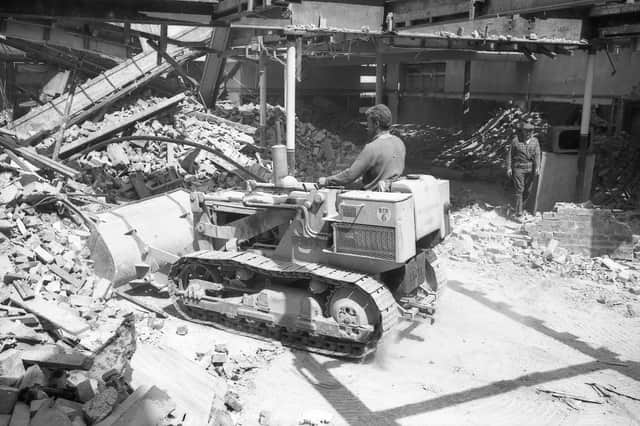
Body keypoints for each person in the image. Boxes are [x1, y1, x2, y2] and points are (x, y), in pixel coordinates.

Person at [318, 104, 405, 191]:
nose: (367, 127)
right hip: (391, 194)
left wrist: (326, 180)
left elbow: (350, 176)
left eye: (369, 123)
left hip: (371, 198)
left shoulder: (372, 148)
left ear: (376, 124)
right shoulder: (399, 143)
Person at [506, 121, 541, 221]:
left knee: (527, 190)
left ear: (532, 132)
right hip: (518, 168)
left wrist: (538, 167)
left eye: (530, 131)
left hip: (530, 169)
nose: (528, 133)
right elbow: (509, 154)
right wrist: (508, 167)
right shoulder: (516, 141)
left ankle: (521, 207)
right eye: (526, 131)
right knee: (519, 189)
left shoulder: (535, 141)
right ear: (522, 131)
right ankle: (519, 213)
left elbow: (538, 154)